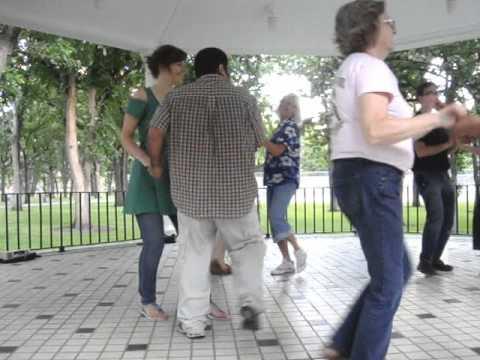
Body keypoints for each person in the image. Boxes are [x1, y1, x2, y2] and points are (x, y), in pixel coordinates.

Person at [327, 1, 466, 359]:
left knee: (395, 270)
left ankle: (342, 345)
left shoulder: (354, 66)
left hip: (357, 175)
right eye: (389, 21)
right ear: (370, 28)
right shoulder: (372, 67)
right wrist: (438, 118)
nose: (394, 27)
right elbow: (377, 129)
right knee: (390, 281)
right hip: (372, 176)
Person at [148, 47, 266, 339]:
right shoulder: (243, 97)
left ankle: (192, 323)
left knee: (194, 258)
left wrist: (156, 164)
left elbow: (155, 133)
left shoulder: (176, 97)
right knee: (248, 249)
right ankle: (249, 302)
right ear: (222, 69)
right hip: (236, 194)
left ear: (197, 71)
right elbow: (259, 140)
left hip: (192, 195)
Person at [121, 45, 187, 320]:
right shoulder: (142, 96)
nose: (183, 70)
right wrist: (148, 161)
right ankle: (147, 300)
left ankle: (198, 299)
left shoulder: (181, 97)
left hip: (178, 180)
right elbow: (125, 137)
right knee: (154, 242)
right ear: (166, 65)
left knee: (193, 239)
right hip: (148, 179)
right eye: (180, 65)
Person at [412, 82, 455, 275]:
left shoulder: (438, 121)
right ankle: (425, 260)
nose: (434, 96)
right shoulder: (418, 121)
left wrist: (458, 144)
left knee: (447, 219)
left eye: (436, 92)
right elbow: (420, 152)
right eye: (429, 93)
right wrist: (448, 144)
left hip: (443, 174)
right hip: (426, 175)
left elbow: (448, 147)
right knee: (436, 217)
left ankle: (435, 258)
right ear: (420, 98)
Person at [264, 94, 307, 276]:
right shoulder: (281, 127)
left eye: (288, 105)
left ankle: (298, 250)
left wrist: (260, 138)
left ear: (293, 110)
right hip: (275, 178)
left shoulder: (289, 127)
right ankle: (286, 261)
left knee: (276, 216)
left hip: (285, 178)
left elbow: (276, 150)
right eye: (283, 104)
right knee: (275, 221)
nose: (283, 107)